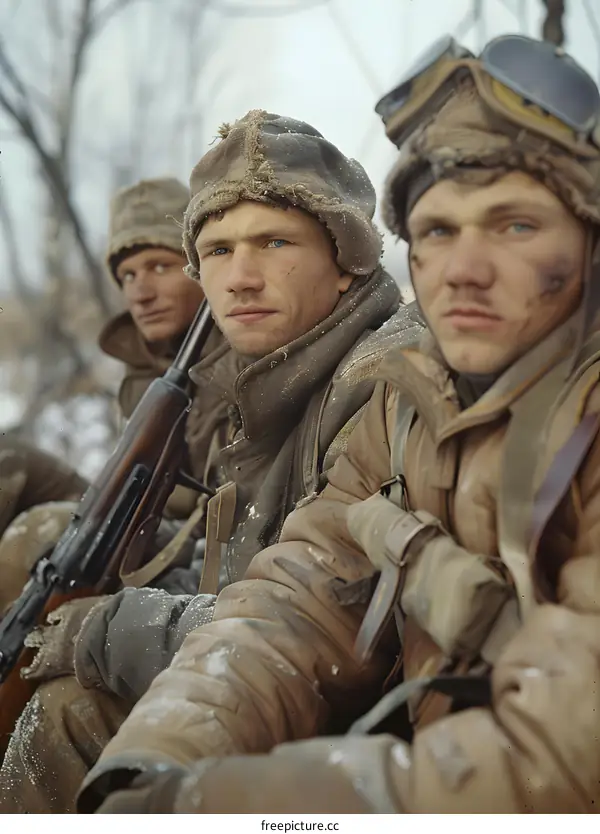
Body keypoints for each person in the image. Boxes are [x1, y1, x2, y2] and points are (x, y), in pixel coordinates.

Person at [77, 37, 600, 815]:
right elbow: (296, 601)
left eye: (515, 226)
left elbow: (564, 757)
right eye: (437, 231)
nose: (464, 268)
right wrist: (157, 757)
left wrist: (230, 802)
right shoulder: (408, 406)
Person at [0, 110, 423, 813]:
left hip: (366, 736)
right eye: (218, 250)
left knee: (74, 708)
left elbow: (328, 637)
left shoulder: (372, 387)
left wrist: (107, 626)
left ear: (348, 262)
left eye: (274, 241)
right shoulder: (273, 380)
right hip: (280, 679)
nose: (240, 278)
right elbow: (246, 569)